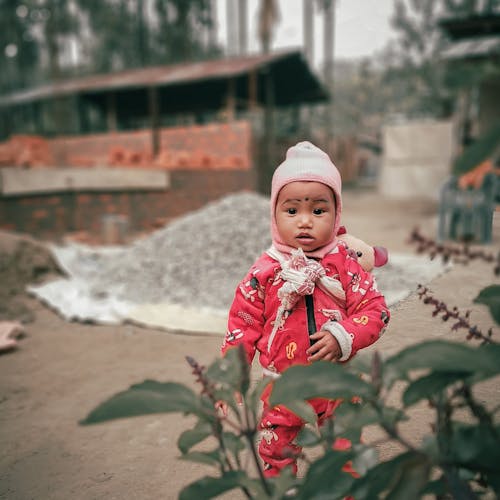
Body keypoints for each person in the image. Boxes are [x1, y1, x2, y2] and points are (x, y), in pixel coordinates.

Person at [221, 141, 390, 478]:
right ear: (275, 214)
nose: (305, 222)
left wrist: (344, 335)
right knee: (276, 453)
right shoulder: (264, 272)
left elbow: (376, 309)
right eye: (292, 210)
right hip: (283, 388)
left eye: (318, 210)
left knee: (345, 450)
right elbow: (243, 328)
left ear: (336, 214)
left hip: (337, 383)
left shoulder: (344, 264)